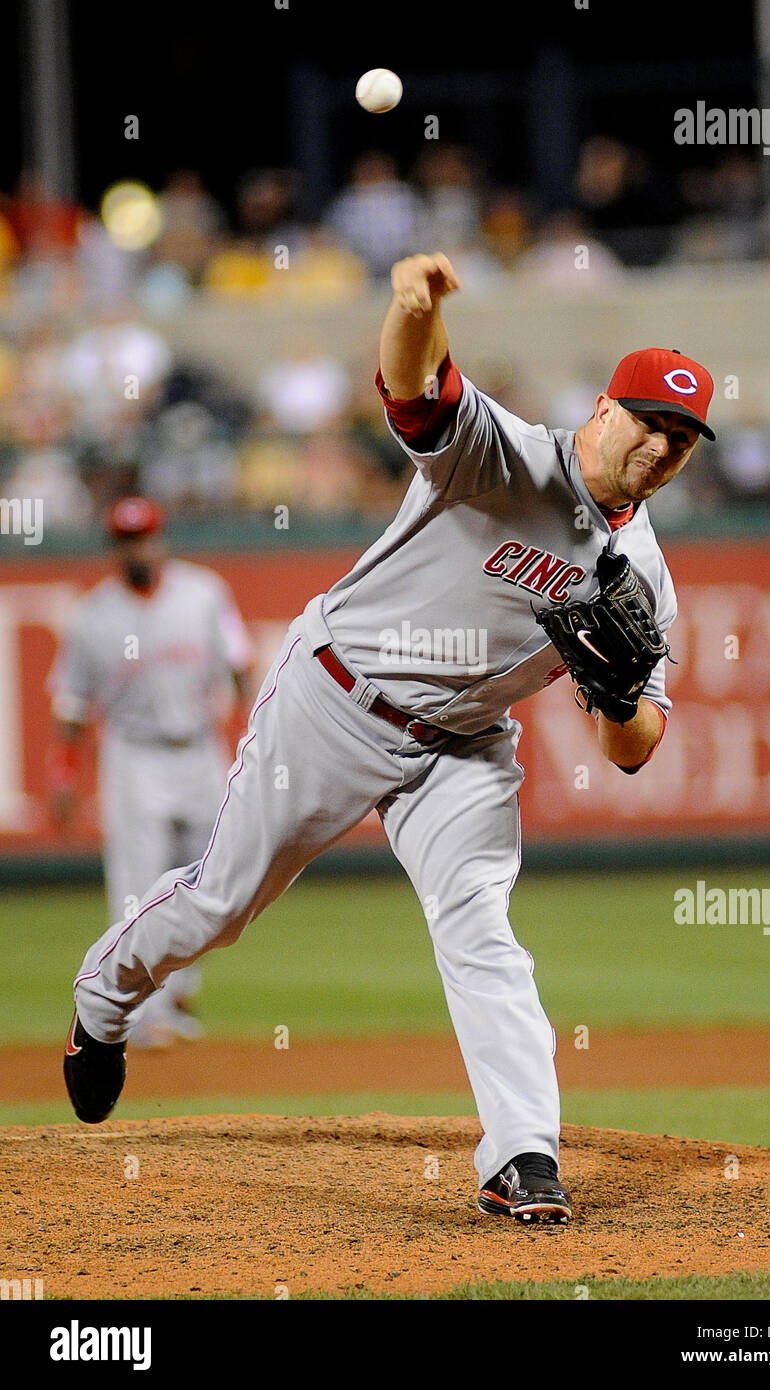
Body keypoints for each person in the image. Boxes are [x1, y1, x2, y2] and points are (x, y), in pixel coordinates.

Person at [63, 255, 715, 1224]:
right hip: (333, 697)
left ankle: (521, 1154)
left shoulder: (644, 574)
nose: (662, 448)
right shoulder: (503, 457)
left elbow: (632, 747)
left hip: (461, 748)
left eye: (682, 437)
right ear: (603, 410)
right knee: (223, 902)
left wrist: (616, 691)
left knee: (482, 932)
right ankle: (103, 1003)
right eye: (649, 423)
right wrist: (410, 309)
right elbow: (415, 390)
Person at [50, 496, 254, 1046]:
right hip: (134, 756)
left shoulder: (203, 592)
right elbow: (70, 707)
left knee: (211, 878)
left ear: (161, 538)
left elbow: (240, 667)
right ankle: (133, 1009)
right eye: (126, 539)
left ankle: (178, 995)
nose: (138, 547)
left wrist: (254, 738)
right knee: (137, 888)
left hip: (198, 749)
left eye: (145, 536)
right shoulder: (93, 615)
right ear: (115, 547)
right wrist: (65, 777)